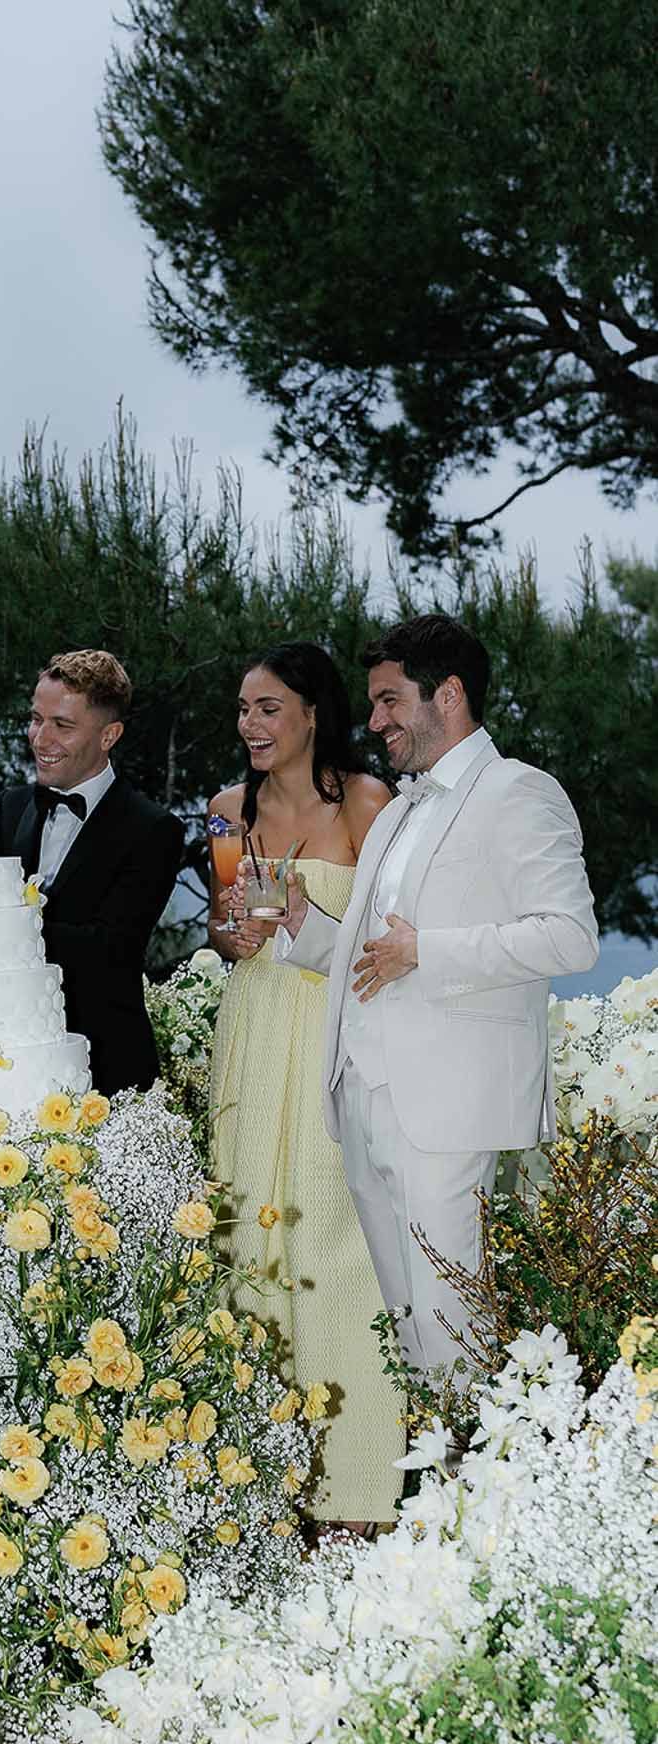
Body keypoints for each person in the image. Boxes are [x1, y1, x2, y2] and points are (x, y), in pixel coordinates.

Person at [277, 612, 599, 1396]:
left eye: (390, 701)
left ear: (447, 694)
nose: (376, 720)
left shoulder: (520, 791)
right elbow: (373, 954)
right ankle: (440, 1495)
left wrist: (431, 950)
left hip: (449, 1105)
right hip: (362, 1097)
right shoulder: (397, 809)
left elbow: (571, 938)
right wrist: (301, 927)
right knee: (408, 1327)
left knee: (457, 1325)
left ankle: (477, 1503)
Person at [206, 643, 401, 1529]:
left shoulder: (367, 804)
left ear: (314, 713)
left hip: (333, 1035)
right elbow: (222, 922)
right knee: (248, 1237)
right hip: (252, 1031)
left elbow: (391, 935)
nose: (250, 724)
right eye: (244, 709)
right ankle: (263, 1486)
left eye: (268, 707)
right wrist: (227, 937)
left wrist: (303, 918)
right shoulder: (224, 811)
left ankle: (358, 1486)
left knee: (334, 1243)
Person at [0, 650, 184, 1095]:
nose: (40, 738)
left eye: (62, 725)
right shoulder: (15, 805)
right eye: (36, 719)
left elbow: (110, 947)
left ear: (109, 735)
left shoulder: (154, 829)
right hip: (8, 1068)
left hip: (106, 1067)